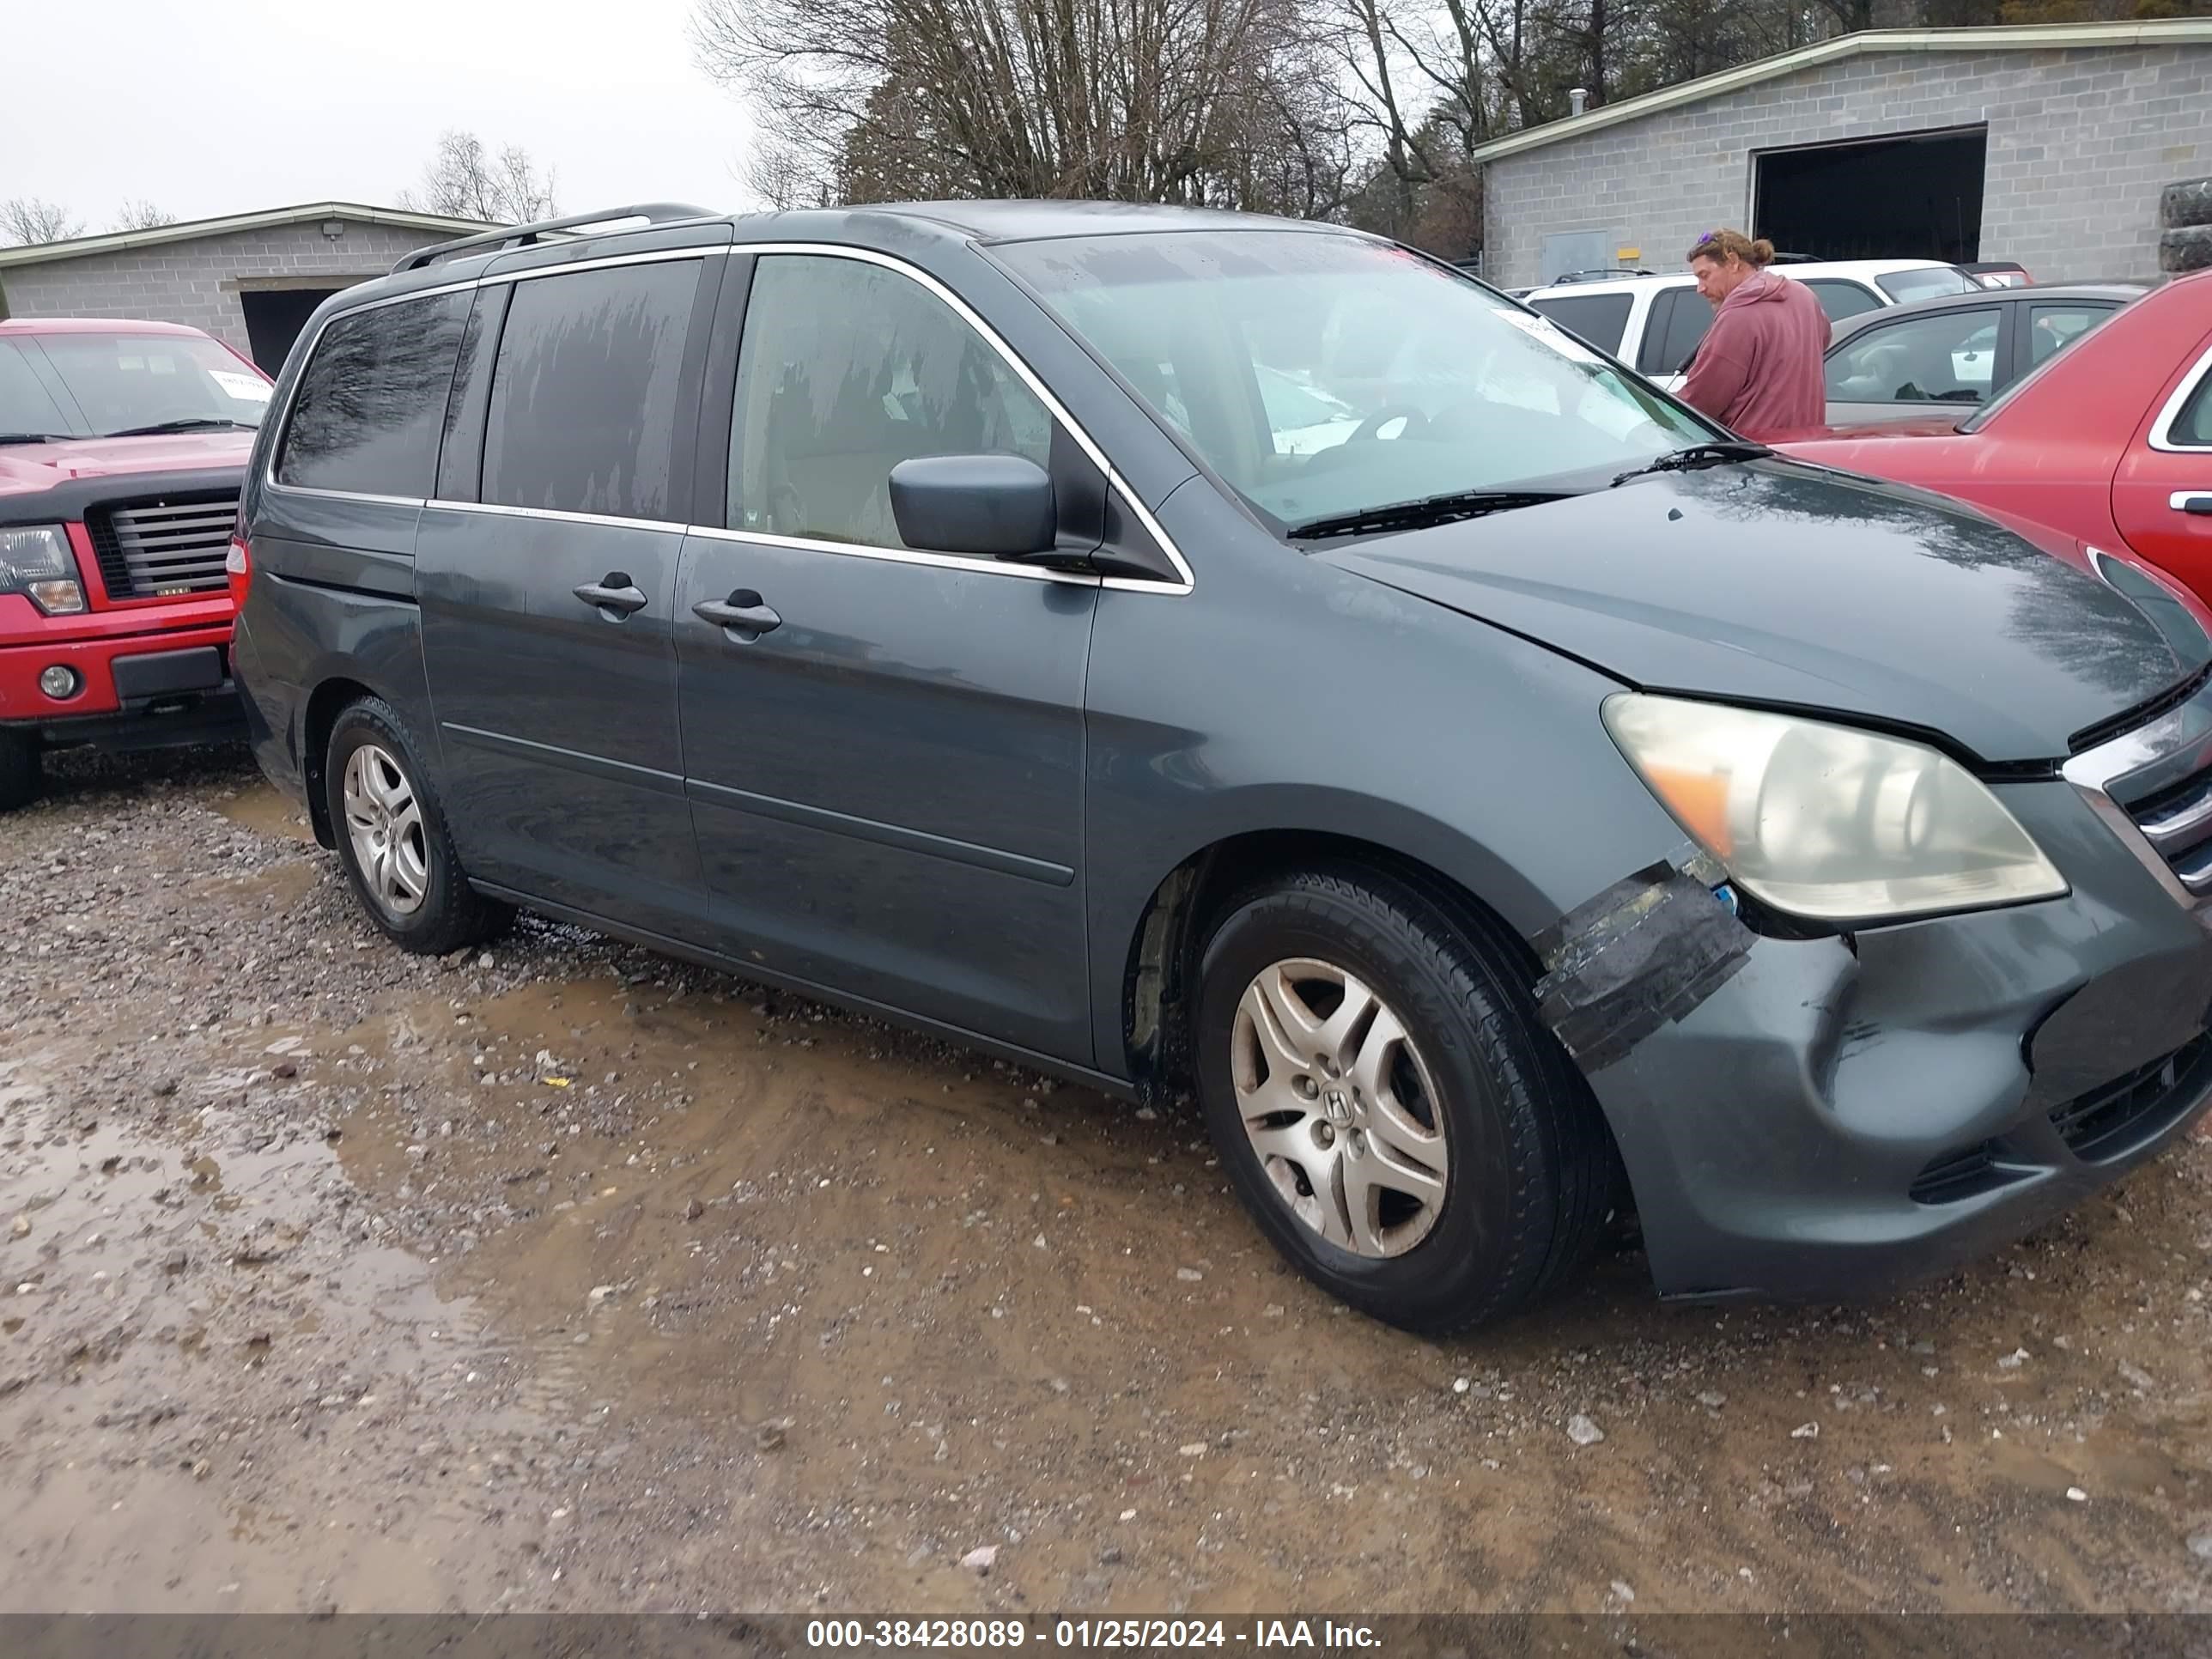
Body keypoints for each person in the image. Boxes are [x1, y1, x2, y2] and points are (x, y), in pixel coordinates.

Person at [1674, 229, 1828, 439]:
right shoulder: (1804, 296)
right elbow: (1825, 339)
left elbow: (1701, 402)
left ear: (1733, 261)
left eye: (1705, 275)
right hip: (1808, 447)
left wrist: (1658, 415)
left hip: (1755, 454)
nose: (1700, 288)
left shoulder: (1738, 315)